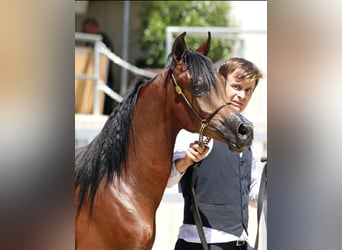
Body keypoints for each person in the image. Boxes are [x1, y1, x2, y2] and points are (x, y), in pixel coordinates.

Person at [167, 57, 264, 250]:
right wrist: (185, 161)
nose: (242, 95)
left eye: (248, 90)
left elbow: (252, 197)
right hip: (202, 243)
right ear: (220, 83)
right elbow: (166, 180)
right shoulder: (196, 127)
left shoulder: (245, 133)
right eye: (236, 87)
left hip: (239, 244)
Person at [82, 17, 115, 115]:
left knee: (105, 107)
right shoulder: (91, 39)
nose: (86, 31)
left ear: (94, 27)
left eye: (87, 28)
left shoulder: (103, 39)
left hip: (104, 78)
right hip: (94, 79)